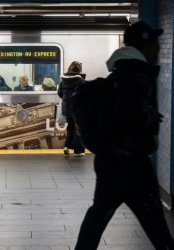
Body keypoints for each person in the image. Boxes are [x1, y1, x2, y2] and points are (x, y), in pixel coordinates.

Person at [75, 21, 174, 250]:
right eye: (155, 44)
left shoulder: (122, 73)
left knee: (98, 216)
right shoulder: (136, 75)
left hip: (110, 161)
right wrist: (147, 116)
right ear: (146, 46)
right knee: (155, 224)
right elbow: (127, 116)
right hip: (132, 164)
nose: (158, 49)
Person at [58, 61, 85, 157]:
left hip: (67, 109)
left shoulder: (63, 80)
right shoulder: (81, 80)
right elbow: (86, 93)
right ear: (79, 70)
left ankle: (66, 146)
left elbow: (60, 93)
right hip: (77, 109)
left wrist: (66, 100)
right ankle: (78, 151)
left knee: (70, 128)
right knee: (78, 128)